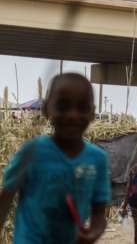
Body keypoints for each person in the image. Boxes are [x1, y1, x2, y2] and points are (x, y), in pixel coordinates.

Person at [0, 73, 111, 244]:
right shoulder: (31, 152)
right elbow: (5, 198)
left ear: (92, 113)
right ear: (46, 109)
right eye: (63, 106)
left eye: (82, 107)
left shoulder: (97, 160)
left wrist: (93, 233)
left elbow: (99, 214)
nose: (73, 115)